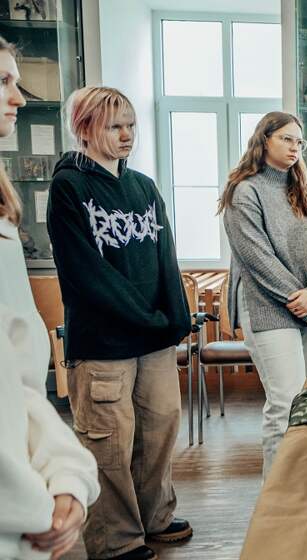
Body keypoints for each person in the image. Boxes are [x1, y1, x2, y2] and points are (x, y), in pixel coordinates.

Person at [47, 86, 192, 559]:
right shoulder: (69, 186)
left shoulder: (143, 186)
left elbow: (165, 257)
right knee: (109, 442)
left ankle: (155, 517)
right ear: (85, 129)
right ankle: (116, 539)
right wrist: (146, 317)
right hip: (104, 343)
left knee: (159, 429)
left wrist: (176, 318)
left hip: (154, 339)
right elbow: (86, 273)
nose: (127, 134)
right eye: (114, 126)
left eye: (130, 124)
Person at [0, 37, 99, 560]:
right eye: (3, 82)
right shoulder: (69, 187)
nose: (19, 98)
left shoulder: (3, 218)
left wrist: (66, 476)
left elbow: (17, 384)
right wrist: (33, 506)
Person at [218, 111, 307, 477]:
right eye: (286, 138)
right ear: (264, 140)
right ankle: (277, 493)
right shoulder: (245, 191)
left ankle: (301, 486)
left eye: (299, 141)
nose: (294, 147)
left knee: (306, 403)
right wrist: (306, 308)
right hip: (267, 308)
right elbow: (258, 260)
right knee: (285, 403)